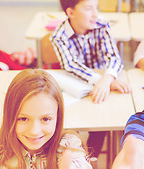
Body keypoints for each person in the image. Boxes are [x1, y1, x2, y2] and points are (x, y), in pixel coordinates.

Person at [51, 0, 130, 158]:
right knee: (68, 124)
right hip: (75, 88)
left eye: (96, 8)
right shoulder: (59, 36)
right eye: (88, 9)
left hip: (103, 87)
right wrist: (102, 81)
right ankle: (73, 157)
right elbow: (71, 65)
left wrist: (107, 79)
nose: (95, 14)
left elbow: (114, 57)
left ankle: (90, 158)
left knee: (103, 118)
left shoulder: (102, 26)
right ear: (70, 13)